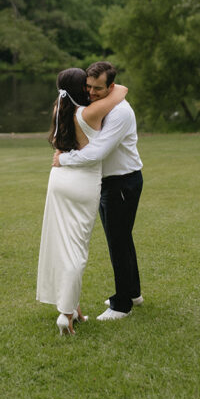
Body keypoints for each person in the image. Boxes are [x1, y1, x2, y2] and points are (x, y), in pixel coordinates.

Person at [36, 67, 128, 335]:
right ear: (81, 89)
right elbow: (120, 91)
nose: (90, 90)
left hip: (58, 179)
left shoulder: (58, 109)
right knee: (77, 250)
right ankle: (65, 315)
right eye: (86, 86)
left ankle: (73, 309)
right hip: (83, 183)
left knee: (61, 244)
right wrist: (103, 85)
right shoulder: (89, 113)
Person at [52, 61, 143, 322]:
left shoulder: (120, 113)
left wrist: (64, 160)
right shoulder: (103, 104)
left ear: (111, 87)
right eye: (88, 87)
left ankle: (121, 305)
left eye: (98, 88)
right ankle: (133, 293)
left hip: (122, 182)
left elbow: (98, 152)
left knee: (118, 240)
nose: (91, 93)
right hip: (112, 182)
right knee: (122, 238)